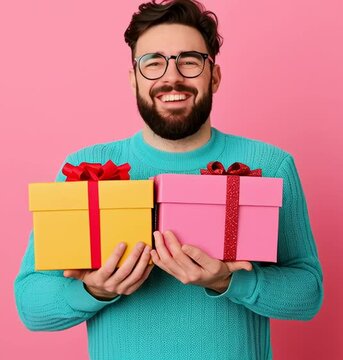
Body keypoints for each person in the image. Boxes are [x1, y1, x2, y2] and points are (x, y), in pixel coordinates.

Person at [14, 0, 323, 359]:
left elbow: (308, 294)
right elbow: (31, 306)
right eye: (153, 63)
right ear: (133, 80)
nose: (171, 77)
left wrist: (229, 281)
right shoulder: (84, 168)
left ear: (215, 77)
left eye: (189, 61)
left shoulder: (269, 165)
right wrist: (93, 290)